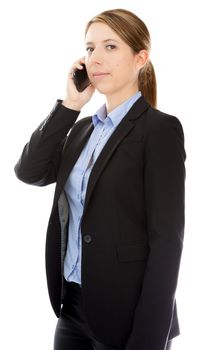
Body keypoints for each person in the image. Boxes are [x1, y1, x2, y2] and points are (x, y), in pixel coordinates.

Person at [14, 8, 186, 350]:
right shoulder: (80, 131)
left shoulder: (159, 130)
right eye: (90, 48)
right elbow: (29, 171)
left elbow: (167, 241)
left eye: (110, 47)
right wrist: (71, 105)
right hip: (73, 308)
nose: (95, 58)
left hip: (129, 314)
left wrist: (149, 338)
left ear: (140, 58)